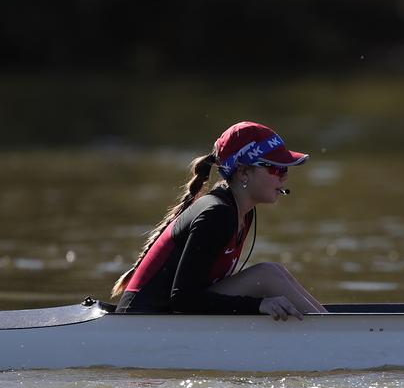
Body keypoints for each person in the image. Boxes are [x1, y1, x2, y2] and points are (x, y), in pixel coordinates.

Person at [112, 121, 326, 319]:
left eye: (286, 169)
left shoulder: (243, 210)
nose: (284, 176)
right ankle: (331, 334)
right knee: (267, 275)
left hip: (172, 316)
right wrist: (257, 306)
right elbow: (183, 300)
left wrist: (257, 306)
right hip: (144, 319)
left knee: (273, 272)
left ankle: (328, 324)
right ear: (243, 173)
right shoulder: (217, 214)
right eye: (276, 168)